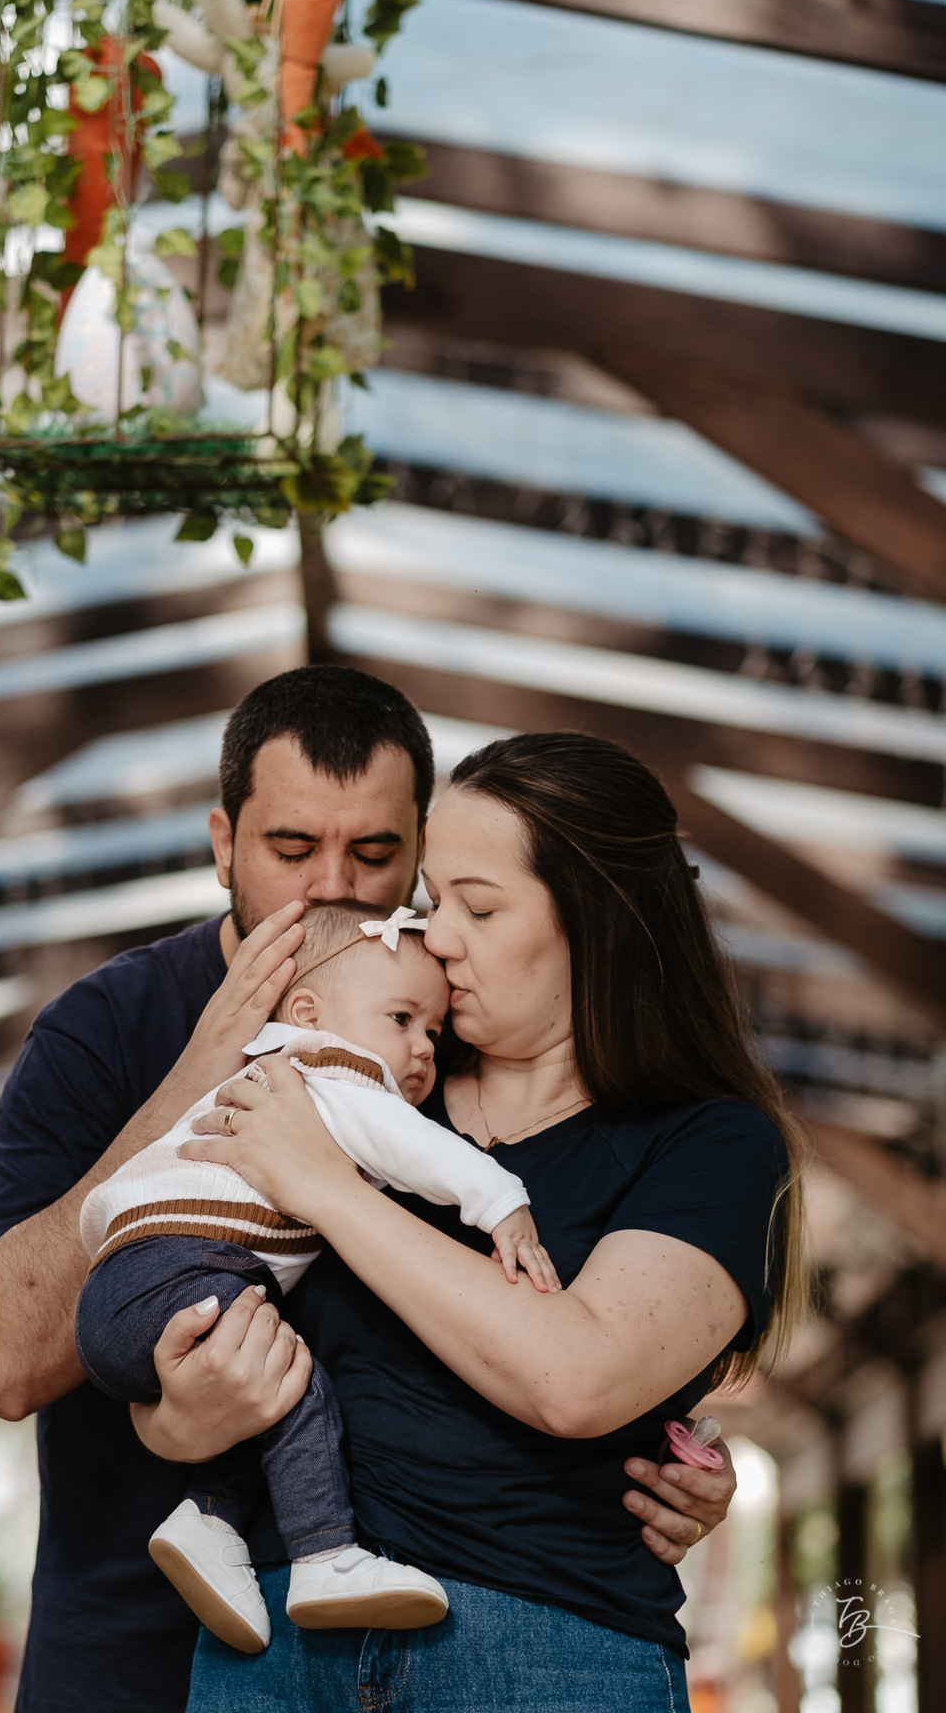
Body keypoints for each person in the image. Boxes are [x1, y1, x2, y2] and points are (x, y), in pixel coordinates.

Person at [0, 670, 740, 1713]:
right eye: (290, 851)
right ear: (222, 843)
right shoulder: (103, 1031)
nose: (335, 889)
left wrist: (654, 1445)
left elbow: (569, 1263)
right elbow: (2, 1366)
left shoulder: (451, 1026)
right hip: (130, 1643)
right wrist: (204, 1072)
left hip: (405, 1634)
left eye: (376, 854)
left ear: (420, 848)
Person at [175, 730, 806, 1712]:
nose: (435, 938)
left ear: (598, 918)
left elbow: (577, 1379)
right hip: (280, 1634)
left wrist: (328, 1190)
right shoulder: (375, 1083)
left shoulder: (711, 1143)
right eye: (432, 903)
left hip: (548, 1648)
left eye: (477, 905)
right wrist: (177, 1403)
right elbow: (188, 1264)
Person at [76, 903, 551, 1653]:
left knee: (256, 1382)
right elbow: (411, 1147)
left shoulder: (266, 1075)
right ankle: (326, 1556)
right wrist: (501, 1202)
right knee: (294, 1379)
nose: (421, 1048)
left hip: (123, 1287)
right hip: (182, 1266)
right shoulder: (326, 1067)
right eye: (400, 1018)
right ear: (309, 1012)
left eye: (432, 1030)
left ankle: (211, 1524)